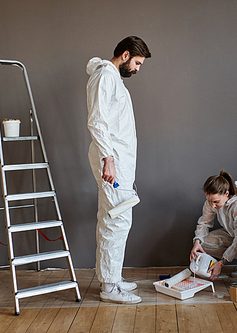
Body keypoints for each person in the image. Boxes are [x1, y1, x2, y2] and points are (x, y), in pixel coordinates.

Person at [86, 36, 151, 304]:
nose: (137, 68)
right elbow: (97, 120)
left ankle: (112, 277)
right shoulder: (106, 77)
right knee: (116, 221)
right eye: (137, 62)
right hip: (112, 160)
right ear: (125, 55)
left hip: (118, 160)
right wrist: (108, 159)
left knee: (113, 218)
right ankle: (110, 288)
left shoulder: (112, 78)